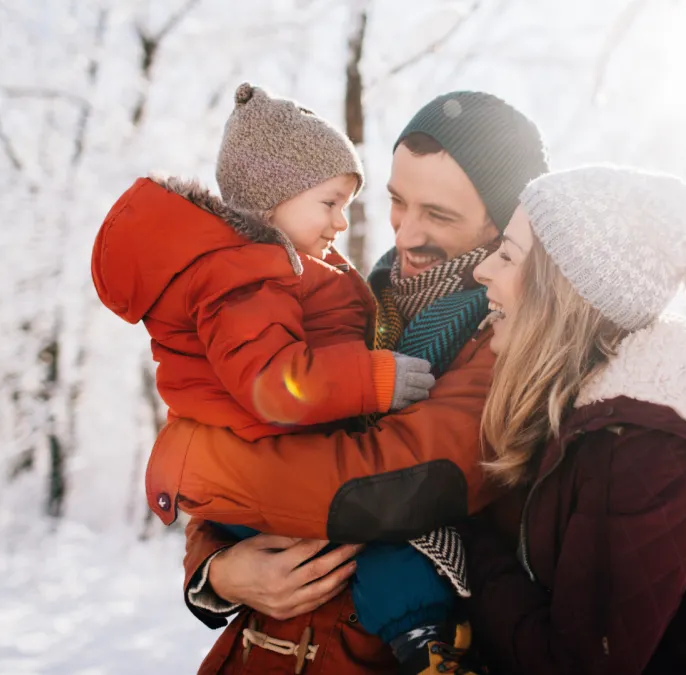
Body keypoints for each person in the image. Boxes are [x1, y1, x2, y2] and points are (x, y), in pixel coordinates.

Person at [161, 92, 550, 674]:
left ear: (500, 220)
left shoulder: (506, 342)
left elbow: (398, 480)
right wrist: (218, 570)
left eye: (438, 215)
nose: (408, 233)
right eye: (397, 202)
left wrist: (203, 463)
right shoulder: (345, 302)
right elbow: (246, 419)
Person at [90, 84, 468, 672]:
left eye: (439, 211)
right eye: (330, 203)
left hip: (276, 488)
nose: (345, 223)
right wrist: (218, 572)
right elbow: (271, 382)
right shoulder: (246, 275)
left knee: (383, 546)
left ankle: (425, 642)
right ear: (274, 200)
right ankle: (425, 645)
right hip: (265, 484)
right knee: (382, 551)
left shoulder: (284, 271)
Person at [463, 165, 686, 674]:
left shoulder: (648, 450)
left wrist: (463, 543)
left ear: (561, 291)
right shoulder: (584, 409)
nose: (483, 270)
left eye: (509, 254)